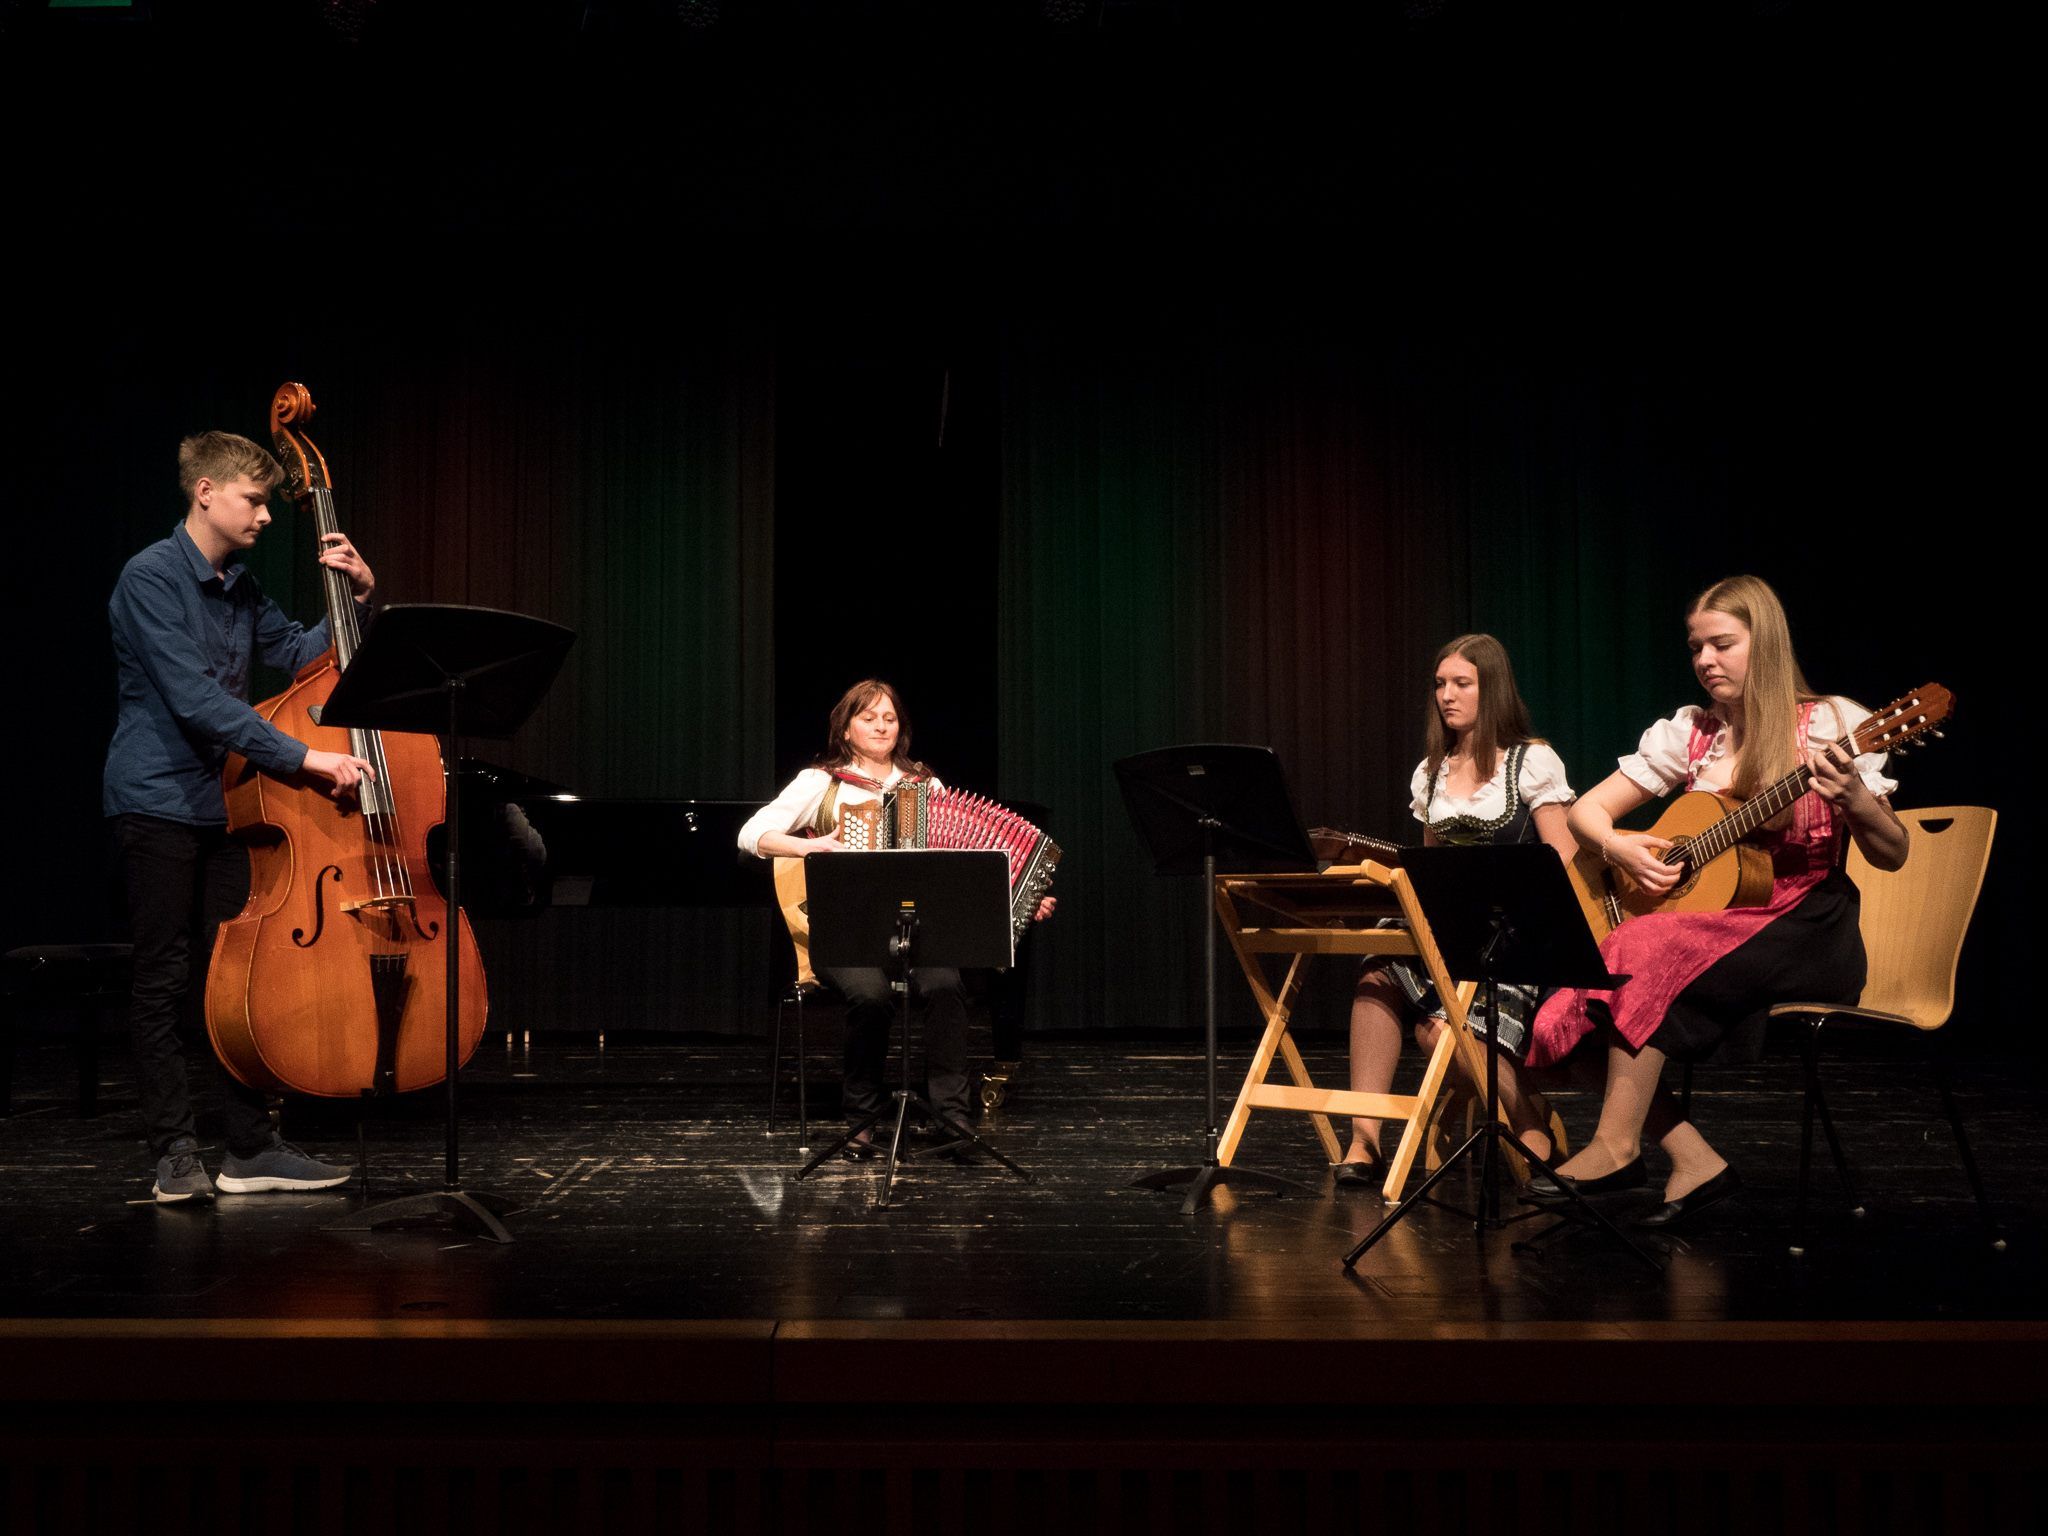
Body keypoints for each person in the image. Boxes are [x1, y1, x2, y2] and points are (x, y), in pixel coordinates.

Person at [1523, 574, 1907, 1228]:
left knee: (1640, 949)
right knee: (1572, 997)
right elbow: (1588, 811)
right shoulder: (1692, 733)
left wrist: (1857, 801)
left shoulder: (1832, 723)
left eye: (1722, 644)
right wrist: (1620, 850)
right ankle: (1694, 1160)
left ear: (1767, 643)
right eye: (1696, 647)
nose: (1705, 661)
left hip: (1807, 924)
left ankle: (1616, 1146)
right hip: (1711, 927)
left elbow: (1892, 852)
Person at [106, 430, 379, 1203]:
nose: (265, 515)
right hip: (157, 798)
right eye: (253, 500)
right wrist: (305, 759)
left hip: (224, 801)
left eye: (266, 501)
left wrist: (355, 599)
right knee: (163, 978)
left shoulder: (242, 585)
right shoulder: (150, 577)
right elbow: (196, 700)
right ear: (206, 493)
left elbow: (298, 654)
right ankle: (174, 1152)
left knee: (236, 978)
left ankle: (251, 1148)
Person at [738, 680, 1054, 1151]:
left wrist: (1018, 900)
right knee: (870, 995)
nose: (881, 726)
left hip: (918, 931)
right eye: (868, 717)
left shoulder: (926, 785)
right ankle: (861, 1116)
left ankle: (951, 1114)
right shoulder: (820, 783)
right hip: (847, 934)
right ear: (845, 729)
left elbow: (956, 867)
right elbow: (751, 834)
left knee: (947, 987)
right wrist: (812, 846)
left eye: (889, 718)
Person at [1335, 635, 1576, 1187]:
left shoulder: (1530, 762)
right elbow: (1430, 867)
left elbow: (1563, 863)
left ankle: (1525, 1115)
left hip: (1516, 937)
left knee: (1438, 1037)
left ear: (1490, 690)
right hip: (1451, 928)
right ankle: (1363, 1139)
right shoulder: (1433, 772)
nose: (1447, 695)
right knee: (1377, 964)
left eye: (1461, 684)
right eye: (1441, 684)